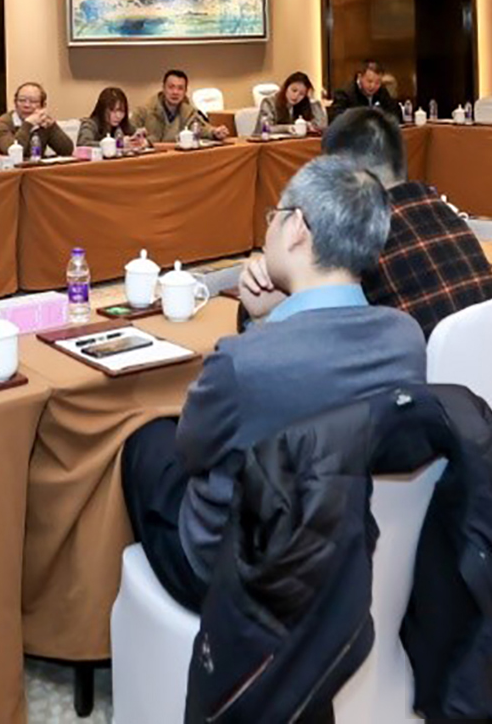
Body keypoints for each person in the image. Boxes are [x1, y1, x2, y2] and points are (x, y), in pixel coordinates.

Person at [120, 156, 423, 611]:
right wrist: (266, 319)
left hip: (238, 573)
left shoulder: (243, 361)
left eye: (275, 215)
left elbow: (194, 451)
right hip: (343, 549)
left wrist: (259, 328)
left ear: (297, 227)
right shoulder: (406, 337)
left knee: (145, 442)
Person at [313, 107, 492, 335]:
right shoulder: (444, 212)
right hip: (490, 352)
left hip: (419, 357)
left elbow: (318, 320)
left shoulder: (361, 233)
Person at [0, 80, 75, 157]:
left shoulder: (43, 122)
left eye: (33, 101)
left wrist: (52, 126)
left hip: (36, 168)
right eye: (22, 100)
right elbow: (12, 152)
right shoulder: (3, 122)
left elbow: (67, 151)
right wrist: (28, 124)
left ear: (43, 106)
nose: (26, 105)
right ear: (15, 103)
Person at [139, 68, 218, 144]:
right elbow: (132, 132)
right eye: (171, 87)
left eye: (180, 88)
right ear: (163, 88)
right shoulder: (145, 110)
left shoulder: (188, 112)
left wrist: (214, 132)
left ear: (185, 91)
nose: (175, 92)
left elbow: (200, 128)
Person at [81, 85, 151, 151]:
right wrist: (118, 144)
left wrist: (140, 139)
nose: (118, 116)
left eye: (122, 111)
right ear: (102, 110)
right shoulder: (90, 124)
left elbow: (139, 135)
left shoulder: (123, 125)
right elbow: (83, 143)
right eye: (113, 111)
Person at [331, 59, 402, 118]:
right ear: (359, 77)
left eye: (377, 82)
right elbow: (337, 119)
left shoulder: (381, 91)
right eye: (369, 81)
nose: (373, 86)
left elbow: (394, 113)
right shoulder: (344, 93)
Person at [263, 70, 328, 133]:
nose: (296, 96)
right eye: (294, 90)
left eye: (301, 94)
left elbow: (322, 126)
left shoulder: (303, 104)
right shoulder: (269, 102)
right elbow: (266, 128)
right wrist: (287, 128)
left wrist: (312, 100)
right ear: (286, 88)